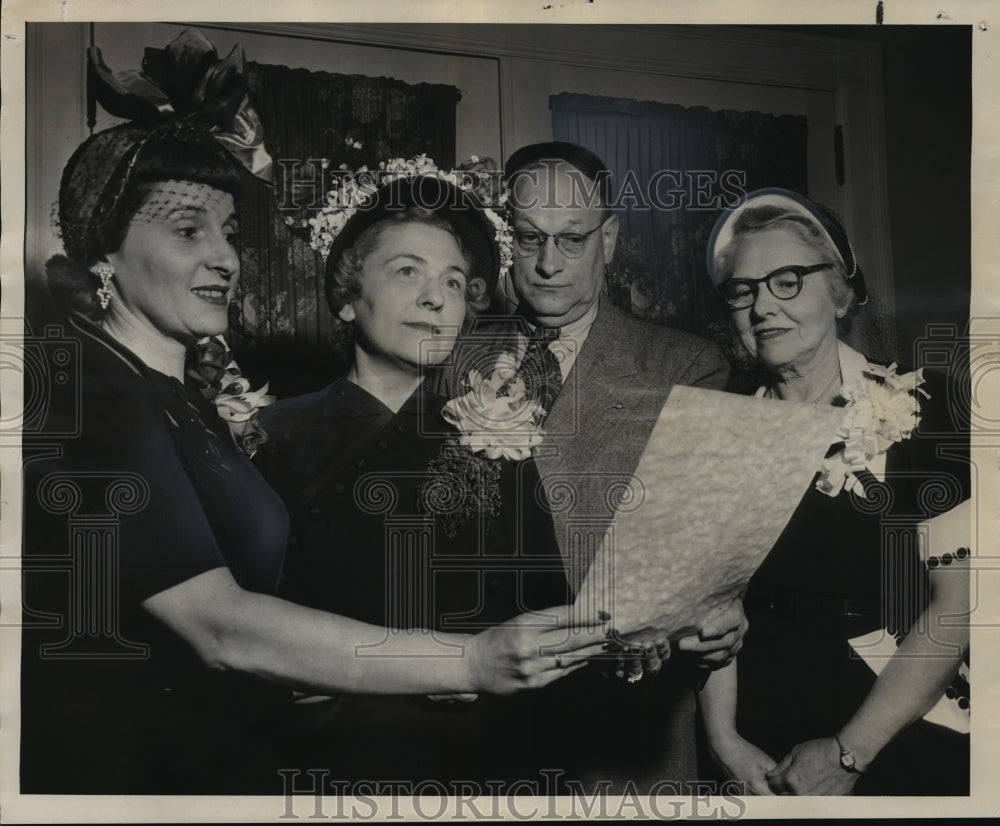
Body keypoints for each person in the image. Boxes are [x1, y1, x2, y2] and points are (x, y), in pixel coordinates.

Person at [20, 107, 607, 794]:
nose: (225, 257)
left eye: (231, 234)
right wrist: (469, 661)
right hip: (144, 775)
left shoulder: (185, 406)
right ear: (102, 252)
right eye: (188, 230)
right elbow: (222, 626)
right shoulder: (95, 395)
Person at [255, 172, 582, 788]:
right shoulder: (271, 436)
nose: (437, 298)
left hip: (487, 761)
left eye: (454, 283)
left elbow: (545, 603)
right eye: (408, 272)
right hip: (332, 762)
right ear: (348, 296)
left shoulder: (499, 434)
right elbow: (239, 626)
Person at [444, 142, 747, 791]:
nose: (549, 264)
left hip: (624, 741)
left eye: (572, 239)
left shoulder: (685, 367)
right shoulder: (444, 358)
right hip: (469, 733)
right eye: (529, 239)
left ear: (608, 240)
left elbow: (705, 552)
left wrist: (714, 616)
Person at [698, 187, 970, 795]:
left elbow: (958, 607)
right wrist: (724, 742)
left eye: (788, 280)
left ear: (841, 291)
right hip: (758, 731)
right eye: (744, 290)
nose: (763, 306)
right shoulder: (720, 434)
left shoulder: (929, 407)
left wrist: (849, 755)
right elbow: (713, 610)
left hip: (894, 724)